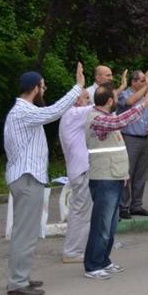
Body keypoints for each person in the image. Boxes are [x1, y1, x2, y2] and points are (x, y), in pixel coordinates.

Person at [4, 64, 84, 295]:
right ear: (34, 87)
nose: (44, 89)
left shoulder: (24, 110)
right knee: (25, 232)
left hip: (28, 177)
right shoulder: (23, 111)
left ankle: (21, 277)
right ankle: (18, 282)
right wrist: (77, 87)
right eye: (43, 85)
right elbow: (54, 112)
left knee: (26, 230)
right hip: (27, 178)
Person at [83, 80, 148, 280]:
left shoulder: (106, 116)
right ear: (109, 100)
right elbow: (119, 123)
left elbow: (117, 147)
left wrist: (124, 174)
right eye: (115, 98)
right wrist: (142, 105)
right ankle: (92, 265)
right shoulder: (96, 118)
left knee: (111, 225)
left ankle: (103, 261)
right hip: (103, 177)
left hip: (114, 176)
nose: (117, 102)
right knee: (102, 224)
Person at [58, 90, 94, 263]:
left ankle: (78, 248)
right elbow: (101, 107)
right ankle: (72, 251)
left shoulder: (71, 115)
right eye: (86, 98)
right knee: (80, 212)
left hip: (78, 168)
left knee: (81, 211)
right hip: (80, 169)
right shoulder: (72, 113)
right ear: (77, 100)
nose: (89, 101)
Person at [117, 71, 148, 219]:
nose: (145, 83)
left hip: (143, 139)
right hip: (128, 138)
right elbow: (130, 102)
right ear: (134, 82)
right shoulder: (124, 94)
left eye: (145, 81)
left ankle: (136, 205)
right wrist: (147, 88)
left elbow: (147, 119)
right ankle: (123, 206)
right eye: (142, 81)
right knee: (127, 173)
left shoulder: (145, 98)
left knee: (140, 174)